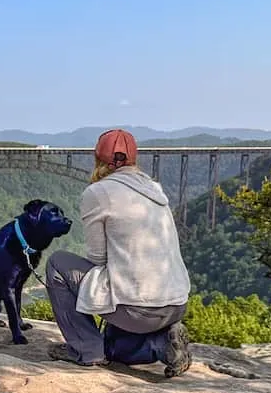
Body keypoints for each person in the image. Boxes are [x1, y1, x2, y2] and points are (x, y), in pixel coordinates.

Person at [45, 128, 193, 377]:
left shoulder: (98, 193)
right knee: (113, 348)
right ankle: (162, 344)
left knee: (58, 263)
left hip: (137, 310)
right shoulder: (155, 189)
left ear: (98, 159)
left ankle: (87, 351)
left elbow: (98, 259)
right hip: (175, 305)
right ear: (134, 159)